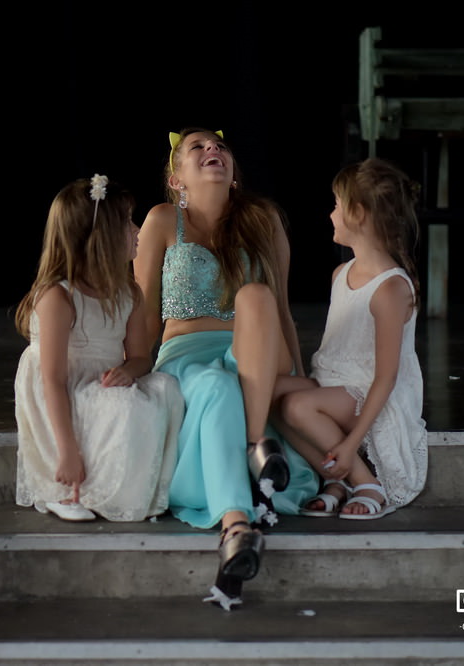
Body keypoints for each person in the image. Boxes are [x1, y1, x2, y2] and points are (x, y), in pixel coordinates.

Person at [133, 128, 319, 611]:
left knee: (255, 296)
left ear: (234, 173)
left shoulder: (264, 220)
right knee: (216, 385)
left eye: (220, 147)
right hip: (186, 356)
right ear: (177, 178)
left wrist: (296, 378)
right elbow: (144, 317)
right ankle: (238, 526)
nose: (212, 150)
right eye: (197, 148)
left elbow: (281, 311)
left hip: (254, 353)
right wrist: (131, 367)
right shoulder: (161, 221)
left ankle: (258, 442)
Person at [13, 175, 183, 522]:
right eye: (127, 223)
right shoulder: (58, 297)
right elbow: (52, 381)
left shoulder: (128, 293)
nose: (138, 230)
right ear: (100, 238)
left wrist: (128, 370)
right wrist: (68, 451)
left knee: (165, 388)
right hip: (60, 395)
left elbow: (140, 358)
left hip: (100, 387)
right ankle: (67, 484)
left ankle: (131, 490)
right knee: (123, 405)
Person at [274, 157, 428, 519]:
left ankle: (364, 481)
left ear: (358, 213)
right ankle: (337, 479)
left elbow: (386, 378)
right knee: (264, 392)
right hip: (332, 387)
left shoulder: (389, 288)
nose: (330, 214)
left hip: (369, 394)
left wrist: (352, 442)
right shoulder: (340, 273)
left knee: (297, 406)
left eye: (336, 206)